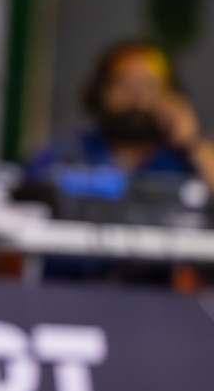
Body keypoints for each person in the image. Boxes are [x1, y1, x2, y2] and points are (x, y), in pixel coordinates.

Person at [23, 40, 214, 283]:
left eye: (149, 86)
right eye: (123, 84)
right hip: (66, 300)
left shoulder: (183, 161)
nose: (135, 96)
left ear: (171, 97)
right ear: (101, 91)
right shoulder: (67, 153)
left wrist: (194, 140)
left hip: (159, 308)